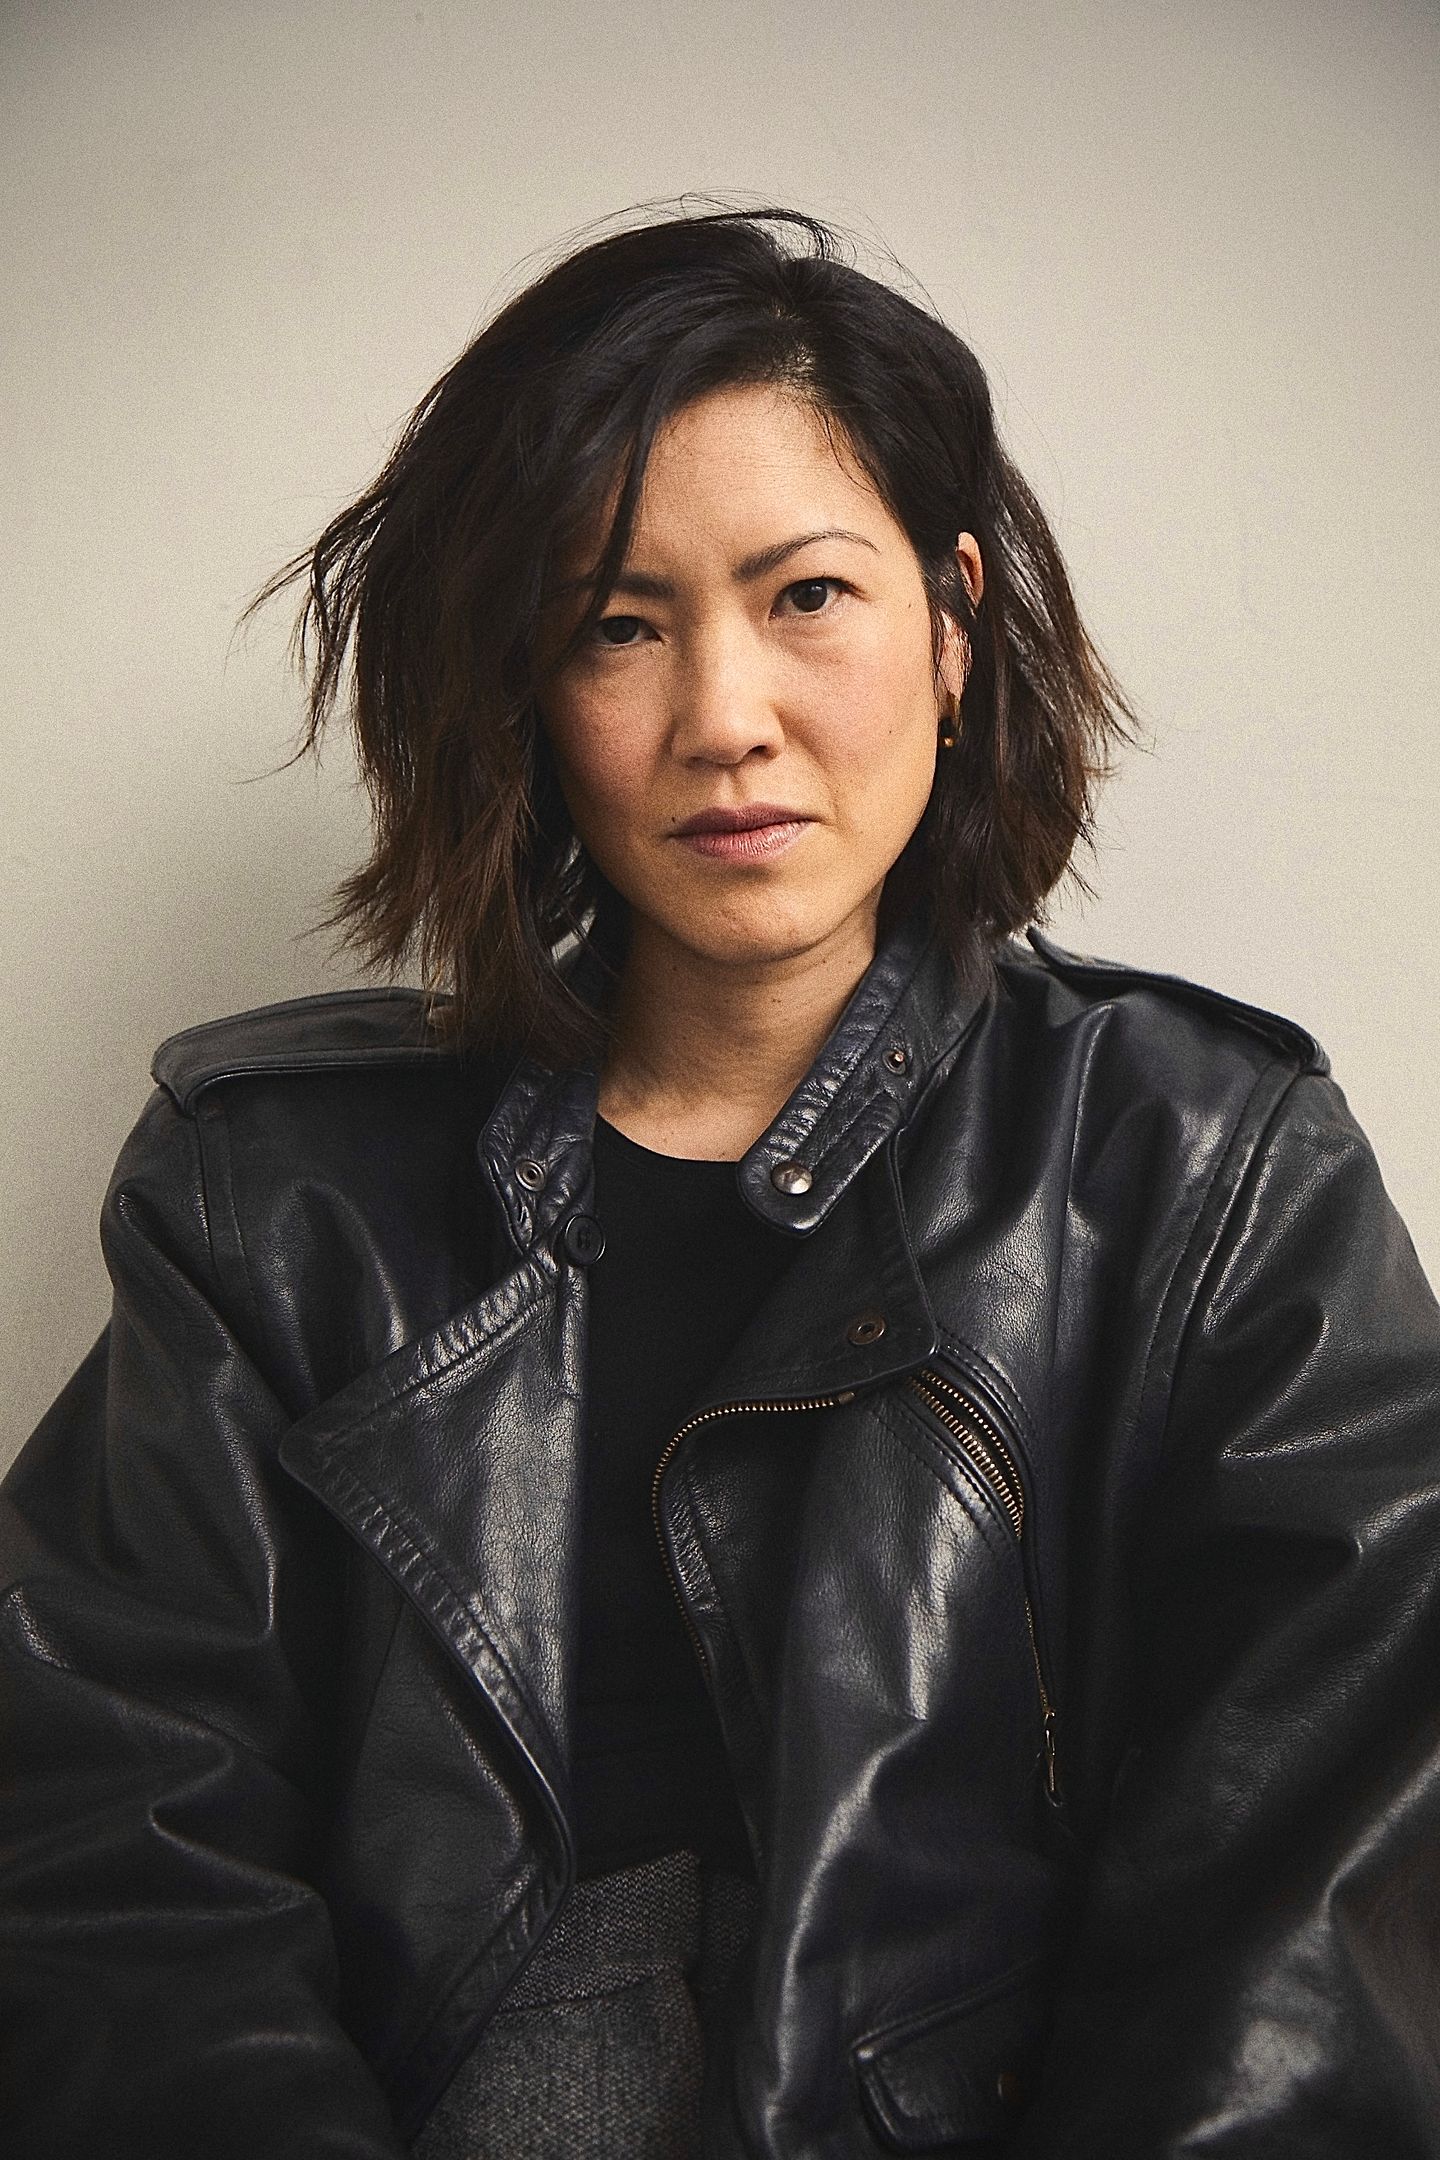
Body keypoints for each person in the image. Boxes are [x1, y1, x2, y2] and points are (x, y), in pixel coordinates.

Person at [3, 204, 1439, 2160]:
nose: (725, 719)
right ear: (528, 691)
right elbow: (114, 1838)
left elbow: (1310, 1906)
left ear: (950, 626)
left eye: (808, 595)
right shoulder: (272, 1196)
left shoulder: (1208, 1169)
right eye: (620, 624)